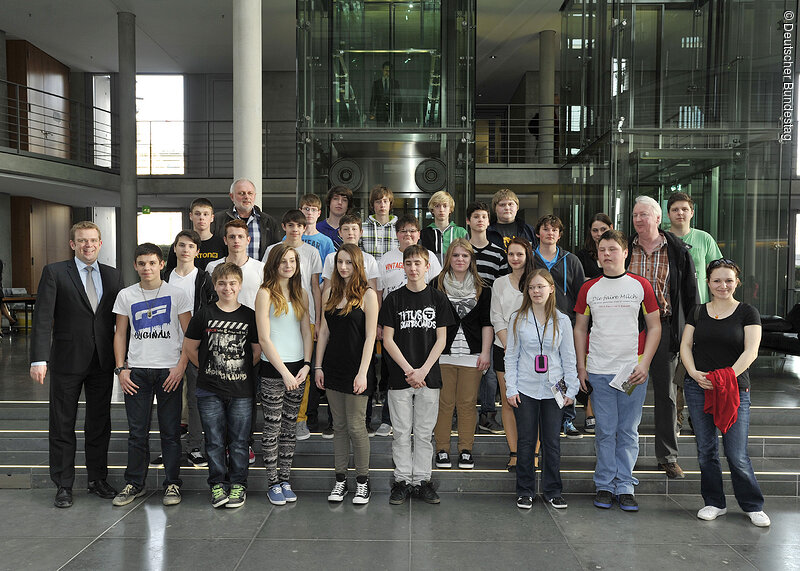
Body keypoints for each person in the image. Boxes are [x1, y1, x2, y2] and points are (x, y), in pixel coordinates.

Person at [30, 221, 123, 508]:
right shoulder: (55, 273)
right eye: (82, 241)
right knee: (62, 424)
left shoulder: (113, 275)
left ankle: (97, 479)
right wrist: (38, 358)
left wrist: (125, 360)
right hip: (66, 361)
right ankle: (64, 485)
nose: (88, 245)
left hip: (102, 362)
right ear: (73, 244)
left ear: (100, 243)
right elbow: (43, 318)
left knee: (99, 424)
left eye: (93, 240)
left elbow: (120, 322)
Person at [574, 229, 661, 512]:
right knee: (605, 431)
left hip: (630, 373)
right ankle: (604, 485)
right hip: (599, 370)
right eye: (602, 250)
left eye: (612, 249)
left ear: (625, 253)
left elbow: (655, 326)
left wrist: (644, 364)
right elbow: (579, 328)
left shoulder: (640, 285)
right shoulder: (589, 288)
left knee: (627, 431)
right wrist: (581, 365)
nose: (607, 254)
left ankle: (624, 485)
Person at [679, 258, 770, 527]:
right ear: (708, 283)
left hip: (735, 390)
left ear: (737, 282)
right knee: (706, 450)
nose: (723, 285)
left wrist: (726, 378)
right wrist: (694, 373)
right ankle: (714, 502)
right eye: (717, 280)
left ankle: (753, 505)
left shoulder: (747, 312)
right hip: (699, 387)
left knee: (736, 453)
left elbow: (750, 351)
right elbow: (685, 346)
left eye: (729, 280)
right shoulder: (698, 311)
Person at [111, 243, 192, 507]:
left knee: (170, 432)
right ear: (135, 266)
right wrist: (121, 369)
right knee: (137, 433)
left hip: (169, 370)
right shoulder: (126, 295)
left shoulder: (177, 294)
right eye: (142, 263)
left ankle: (172, 484)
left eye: (152, 263)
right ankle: (134, 483)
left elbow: (189, 335)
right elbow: (120, 334)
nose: (147, 268)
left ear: (161, 265)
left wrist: (181, 366)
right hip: (136, 373)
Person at [627, 195, 699, 479]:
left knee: (667, 395)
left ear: (658, 218)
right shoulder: (623, 248)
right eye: (635, 215)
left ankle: (667, 456)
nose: (638, 220)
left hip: (666, 328)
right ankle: (624, 453)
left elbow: (690, 297)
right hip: (628, 329)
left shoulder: (678, 251)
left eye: (643, 215)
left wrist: (689, 335)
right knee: (625, 389)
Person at [379, 244, 455, 505]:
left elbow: (442, 339)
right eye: (408, 263)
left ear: (427, 266)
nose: (413, 268)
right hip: (400, 376)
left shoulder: (438, 299)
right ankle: (402, 481)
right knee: (401, 432)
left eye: (418, 263)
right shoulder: (393, 299)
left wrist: (422, 370)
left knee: (423, 433)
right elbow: (387, 340)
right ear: (403, 266)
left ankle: (422, 480)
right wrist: (409, 370)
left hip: (429, 376)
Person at [182, 262, 260, 509]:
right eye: (222, 283)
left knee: (239, 441)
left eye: (232, 283)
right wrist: (207, 368)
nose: (227, 287)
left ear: (240, 285)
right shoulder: (204, 314)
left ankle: (238, 484)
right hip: (209, 390)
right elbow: (190, 348)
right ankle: (217, 485)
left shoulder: (250, 316)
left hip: (241, 390)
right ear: (215, 285)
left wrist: (238, 369)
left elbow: (256, 352)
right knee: (214, 440)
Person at [506, 269, 579, 509]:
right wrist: (511, 388)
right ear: (527, 291)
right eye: (532, 287)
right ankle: (525, 491)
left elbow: (569, 357)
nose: (536, 291)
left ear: (550, 289)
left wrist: (572, 388)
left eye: (541, 286)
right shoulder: (518, 318)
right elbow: (511, 356)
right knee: (526, 442)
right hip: (525, 388)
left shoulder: (563, 320)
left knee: (552, 442)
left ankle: (552, 491)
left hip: (554, 389)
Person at [315, 244, 379, 504]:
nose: (343, 267)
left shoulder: (368, 294)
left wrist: (363, 373)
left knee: (356, 426)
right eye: (339, 262)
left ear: (357, 265)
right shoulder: (329, 291)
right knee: (339, 427)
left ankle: (363, 482)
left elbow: (371, 336)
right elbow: (324, 332)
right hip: (332, 368)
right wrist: (318, 366)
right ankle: (340, 480)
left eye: (348, 263)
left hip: (358, 369)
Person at [255, 243, 313, 506]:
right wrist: (285, 374)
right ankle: (272, 482)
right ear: (274, 264)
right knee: (273, 426)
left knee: (290, 429)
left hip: (298, 369)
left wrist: (307, 365)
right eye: (283, 262)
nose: (288, 266)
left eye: (292, 261)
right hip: (273, 370)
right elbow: (264, 340)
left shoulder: (301, 292)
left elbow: (306, 332)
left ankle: (285, 479)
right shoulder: (265, 293)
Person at [375, 214, 442, 437]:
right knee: (390, 374)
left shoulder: (430, 257)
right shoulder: (385, 259)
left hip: (422, 326)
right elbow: (378, 293)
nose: (408, 235)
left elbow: (436, 288)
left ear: (419, 234)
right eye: (403, 231)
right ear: (397, 235)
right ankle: (387, 419)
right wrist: (378, 323)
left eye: (412, 231)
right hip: (393, 324)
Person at [433, 239, 492, 470]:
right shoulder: (436, 285)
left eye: (465, 256)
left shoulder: (484, 287)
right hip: (442, 356)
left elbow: (488, 324)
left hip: (472, 356)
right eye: (456, 255)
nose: (460, 260)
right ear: (449, 258)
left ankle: (466, 450)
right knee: (444, 404)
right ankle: (442, 450)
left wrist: (485, 352)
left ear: (471, 260)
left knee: (467, 405)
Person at [264, 210, 323, 441]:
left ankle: (299, 419)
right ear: (283, 226)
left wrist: (317, 320)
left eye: (299, 225)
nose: (296, 229)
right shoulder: (272, 251)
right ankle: (276, 416)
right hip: (278, 315)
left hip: (304, 315)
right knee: (276, 366)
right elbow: (267, 279)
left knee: (302, 370)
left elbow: (315, 286)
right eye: (291, 225)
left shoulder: (312, 252)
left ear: (305, 227)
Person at [668, 192, 723, 433]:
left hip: (700, 312)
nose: (680, 213)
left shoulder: (704, 238)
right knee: (678, 367)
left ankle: (698, 414)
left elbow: (719, 272)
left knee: (699, 363)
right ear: (668, 214)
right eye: (675, 209)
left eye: (684, 209)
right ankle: (676, 416)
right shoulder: (664, 239)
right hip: (672, 312)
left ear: (692, 212)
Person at [165, 230, 217, 468]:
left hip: (197, 347)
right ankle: (170, 448)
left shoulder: (204, 278)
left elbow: (213, 310)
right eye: (181, 245)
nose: (186, 250)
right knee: (169, 398)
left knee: (195, 397)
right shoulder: (164, 276)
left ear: (197, 251)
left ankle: (195, 448)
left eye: (191, 246)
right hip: (167, 346)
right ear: (174, 248)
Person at [532, 214, 586, 438]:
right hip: (535, 324)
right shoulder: (529, 258)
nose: (550, 233)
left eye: (554, 230)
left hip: (566, 323)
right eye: (546, 229)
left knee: (566, 369)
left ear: (560, 234)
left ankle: (567, 418)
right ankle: (540, 417)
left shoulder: (571, 260)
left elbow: (582, 293)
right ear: (538, 233)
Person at [490, 237, 535, 471]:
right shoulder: (499, 283)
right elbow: (496, 316)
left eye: (519, 254)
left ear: (527, 255)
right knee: (509, 402)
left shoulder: (537, 281)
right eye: (511, 254)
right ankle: (515, 453)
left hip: (533, 352)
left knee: (532, 402)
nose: (515, 259)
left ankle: (534, 454)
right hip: (504, 349)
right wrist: (509, 345)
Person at [465, 201, 508, 434]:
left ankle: (488, 414)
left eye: (484, 216)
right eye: (475, 216)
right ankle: (465, 412)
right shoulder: (461, 250)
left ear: (489, 221)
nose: (480, 220)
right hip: (463, 318)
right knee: (465, 366)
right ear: (468, 222)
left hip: (490, 317)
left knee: (489, 370)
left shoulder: (498, 253)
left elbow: (502, 288)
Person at [211, 178, 281, 260]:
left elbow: (276, 252)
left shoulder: (269, 222)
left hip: (259, 272)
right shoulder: (218, 220)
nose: (246, 197)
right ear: (232, 196)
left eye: (250, 193)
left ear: (254, 196)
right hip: (226, 271)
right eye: (241, 193)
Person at [206, 220, 265, 311]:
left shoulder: (261, 268)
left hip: (252, 322)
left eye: (240, 237)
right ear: (225, 240)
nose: (236, 240)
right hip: (221, 322)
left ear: (248, 240)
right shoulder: (212, 267)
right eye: (232, 237)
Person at [165, 197, 228, 274]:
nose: (201, 218)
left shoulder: (222, 244)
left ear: (212, 218)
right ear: (191, 216)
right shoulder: (180, 245)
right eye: (197, 214)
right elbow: (169, 274)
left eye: (205, 214)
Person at [322, 214, 379, 293]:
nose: (350, 232)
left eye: (354, 229)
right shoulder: (331, 258)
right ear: (340, 233)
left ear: (361, 232)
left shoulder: (369, 259)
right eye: (346, 229)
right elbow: (327, 288)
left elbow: (373, 289)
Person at [421, 190, 468, 264]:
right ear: (432, 210)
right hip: (432, 275)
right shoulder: (424, 234)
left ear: (450, 209)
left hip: (455, 274)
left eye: (445, 206)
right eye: (437, 206)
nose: (441, 210)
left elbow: (467, 257)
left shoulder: (461, 232)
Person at [299, 193, 337, 280]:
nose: (309, 213)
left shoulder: (326, 241)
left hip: (319, 286)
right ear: (300, 211)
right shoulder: (291, 237)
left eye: (313, 210)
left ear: (319, 213)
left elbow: (331, 269)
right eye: (306, 209)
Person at [361, 185, 399, 259]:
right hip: (369, 270)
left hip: (393, 269)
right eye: (378, 202)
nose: (382, 205)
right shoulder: (362, 228)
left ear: (390, 204)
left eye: (385, 201)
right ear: (373, 205)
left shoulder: (399, 228)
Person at [576, 213, 613, 280]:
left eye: (603, 229)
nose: (599, 234)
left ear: (611, 228)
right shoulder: (582, 256)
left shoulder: (618, 252)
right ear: (590, 231)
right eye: (595, 230)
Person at [369, 61, 401, 126]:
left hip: (392, 111)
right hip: (380, 111)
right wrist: (372, 112)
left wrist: (398, 112)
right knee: (380, 128)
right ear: (382, 70)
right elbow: (373, 98)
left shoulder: (395, 83)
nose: (387, 73)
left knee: (392, 129)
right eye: (386, 70)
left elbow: (398, 98)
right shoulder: (376, 83)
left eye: (389, 71)